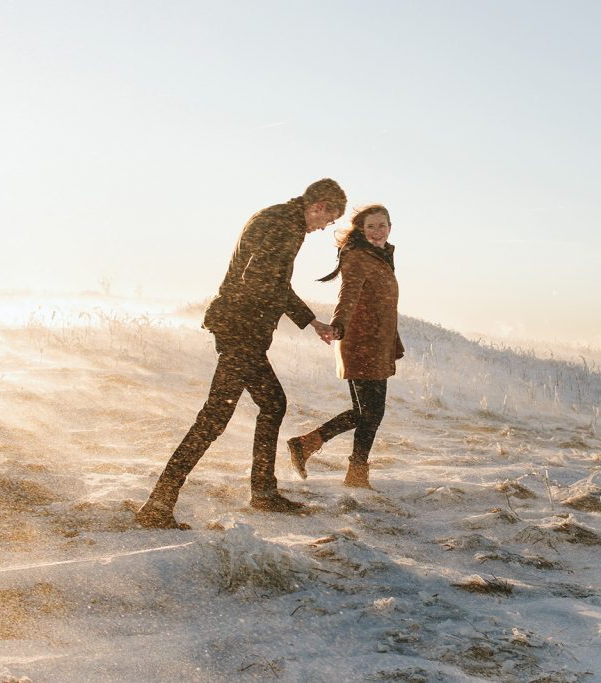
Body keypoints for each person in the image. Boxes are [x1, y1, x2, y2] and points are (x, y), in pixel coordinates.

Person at [135, 178, 346, 529]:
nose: (326, 226)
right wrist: (304, 321)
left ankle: (257, 492)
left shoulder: (279, 218)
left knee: (252, 408)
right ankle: (163, 504)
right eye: (330, 218)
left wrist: (309, 322)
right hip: (240, 330)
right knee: (224, 416)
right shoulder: (284, 225)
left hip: (239, 327)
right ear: (319, 206)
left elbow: (272, 281)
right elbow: (261, 278)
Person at [287, 204, 402, 489]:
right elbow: (348, 294)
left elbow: (383, 305)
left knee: (367, 412)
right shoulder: (359, 257)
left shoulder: (381, 257)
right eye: (371, 226)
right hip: (361, 342)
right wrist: (337, 324)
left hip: (376, 343)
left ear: (390, 227)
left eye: (381, 225)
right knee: (370, 412)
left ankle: (315, 449)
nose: (377, 231)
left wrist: (392, 341)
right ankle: (349, 470)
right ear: (362, 231)